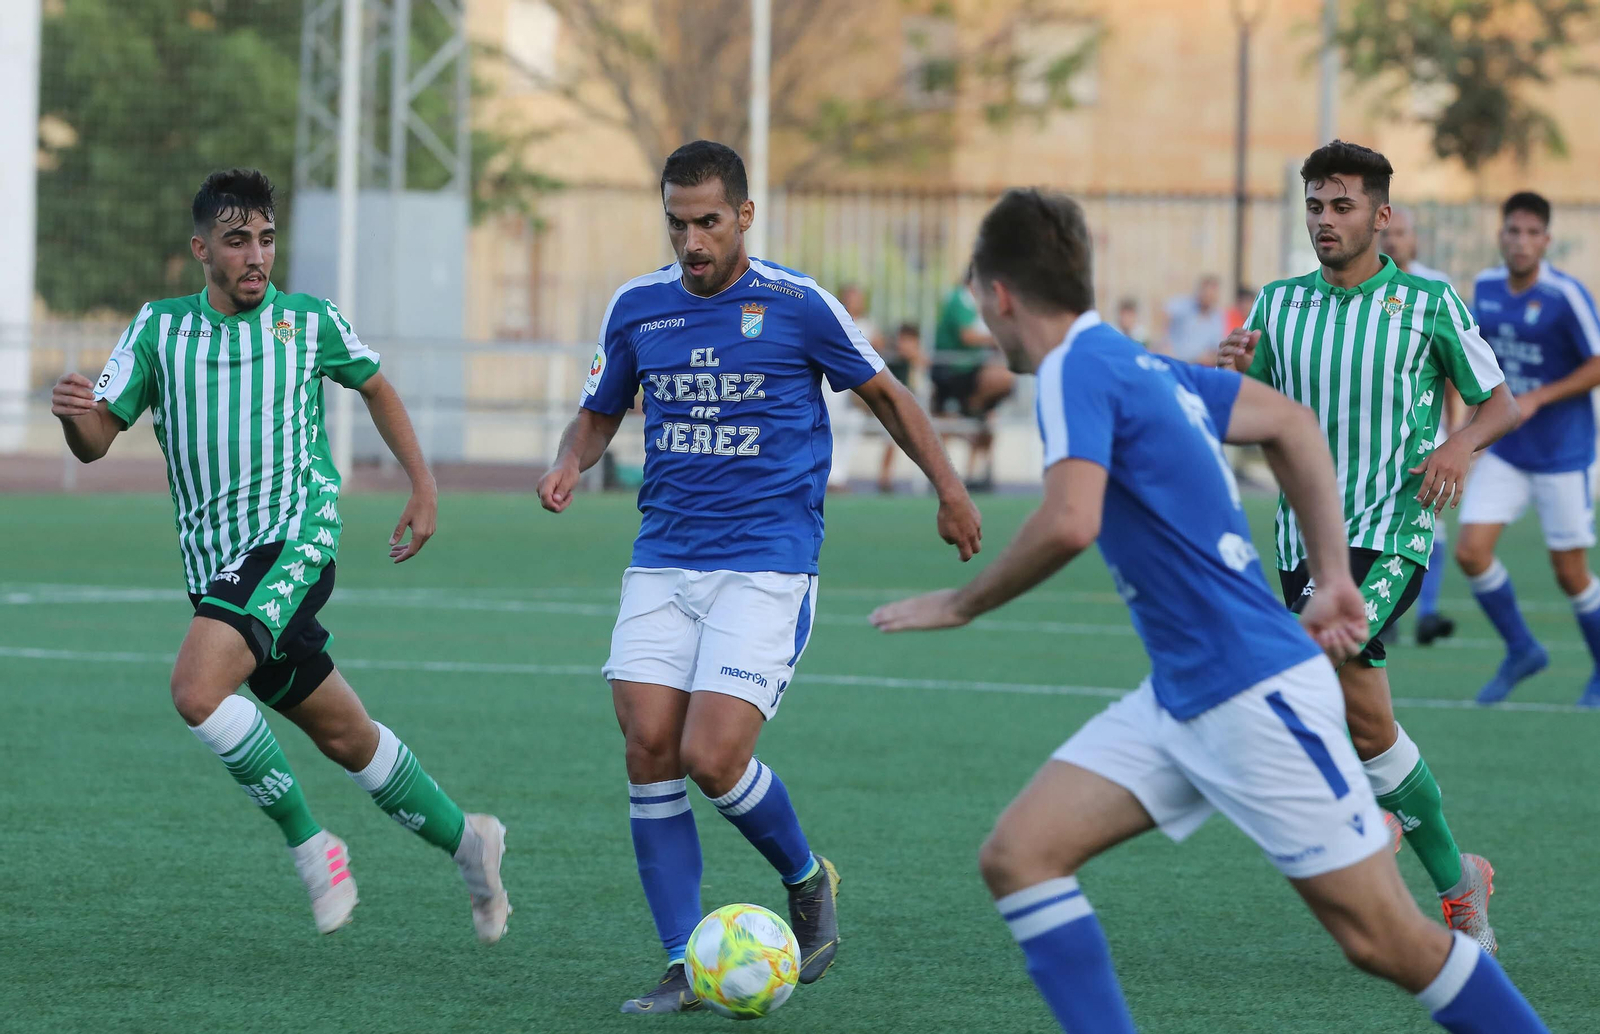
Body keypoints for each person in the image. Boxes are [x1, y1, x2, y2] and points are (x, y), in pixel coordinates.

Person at [871, 187, 1548, 1034]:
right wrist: (1335, 575)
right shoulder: (1131, 360)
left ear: (999, 294)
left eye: (979, 297)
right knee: (1020, 856)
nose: (982, 313)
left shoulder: (1077, 369)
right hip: (1182, 696)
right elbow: (1292, 422)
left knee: (1387, 944)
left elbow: (1072, 518)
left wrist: (961, 604)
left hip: (1252, 696)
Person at [536, 140, 982, 1013]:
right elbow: (597, 414)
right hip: (663, 556)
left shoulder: (796, 302)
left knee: (712, 754)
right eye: (677, 222)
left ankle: (808, 879)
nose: (692, 241)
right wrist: (568, 463)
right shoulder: (637, 307)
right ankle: (683, 964)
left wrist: (950, 488)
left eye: (708, 221)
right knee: (648, 750)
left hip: (767, 563)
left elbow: (888, 395)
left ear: (743, 215)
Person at [50, 169, 509, 940]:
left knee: (196, 690)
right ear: (202, 250)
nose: (256, 255)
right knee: (345, 736)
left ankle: (313, 847)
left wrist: (423, 486)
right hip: (219, 571)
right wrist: (74, 417)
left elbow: (376, 386)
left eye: (266, 238)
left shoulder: (309, 321)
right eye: (237, 241)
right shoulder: (159, 330)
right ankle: (471, 842)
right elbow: (96, 441)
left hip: (296, 535)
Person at [1217, 141, 1518, 950]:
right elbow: (1246, 415)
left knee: (1312, 664)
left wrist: (1458, 447)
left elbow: (1500, 404)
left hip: (1392, 531)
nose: (1325, 219)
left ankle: (1360, 820)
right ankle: (1461, 887)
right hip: (1299, 541)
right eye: (1315, 204)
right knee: (1371, 729)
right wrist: (1228, 377)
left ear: (1380, 216)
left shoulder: (1428, 301)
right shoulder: (1276, 306)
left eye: (1342, 205)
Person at [1455, 192, 1600, 707]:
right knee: (1470, 552)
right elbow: (1472, 354)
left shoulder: (1566, 295)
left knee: (1569, 571)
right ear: (1501, 235)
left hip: (1565, 453)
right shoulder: (1486, 287)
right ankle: (1521, 649)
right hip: (1509, 449)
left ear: (1546, 240)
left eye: (1531, 233)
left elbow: (1598, 361)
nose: (1520, 241)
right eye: (1512, 231)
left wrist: (1541, 394)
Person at [1380, 204, 1464, 646]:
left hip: (1424, 427)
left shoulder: (1434, 287)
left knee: (1431, 518)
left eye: (1402, 234)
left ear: (1414, 240)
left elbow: (1452, 366)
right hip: (1375, 429)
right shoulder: (1366, 287)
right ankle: (1385, 610)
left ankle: (1425, 612)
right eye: (1388, 234)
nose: (1394, 241)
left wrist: (1456, 431)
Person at [932, 274, 1016, 486]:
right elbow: (967, 336)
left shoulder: (980, 304)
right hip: (953, 373)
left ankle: (975, 473)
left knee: (989, 418)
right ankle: (940, 477)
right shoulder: (960, 299)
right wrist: (998, 339)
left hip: (972, 372)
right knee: (946, 426)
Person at [823, 284, 883, 490]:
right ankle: (830, 477)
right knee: (830, 426)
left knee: (852, 428)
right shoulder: (832, 319)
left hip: (856, 386)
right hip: (831, 387)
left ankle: (840, 476)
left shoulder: (868, 324)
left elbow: (878, 348)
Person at [877, 322, 929, 492]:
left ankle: (928, 480)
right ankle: (885, 478)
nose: (903, 345)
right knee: (892, 435)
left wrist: (918, 364)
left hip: (923, 410)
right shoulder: (892, 363)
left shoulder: (922, 363)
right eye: (902, 340)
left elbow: (922, 389)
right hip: (897, 412)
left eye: (908, 341)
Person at [1161, 273, 1226, 364]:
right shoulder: (1184, 305)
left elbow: (1217, 346)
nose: (1209, 296)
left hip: (1197, 366)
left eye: (1212, 293)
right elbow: (1165, 314)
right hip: (1175, 362)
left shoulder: (1216, 317)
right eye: (1206, 292)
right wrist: (1165, 342)